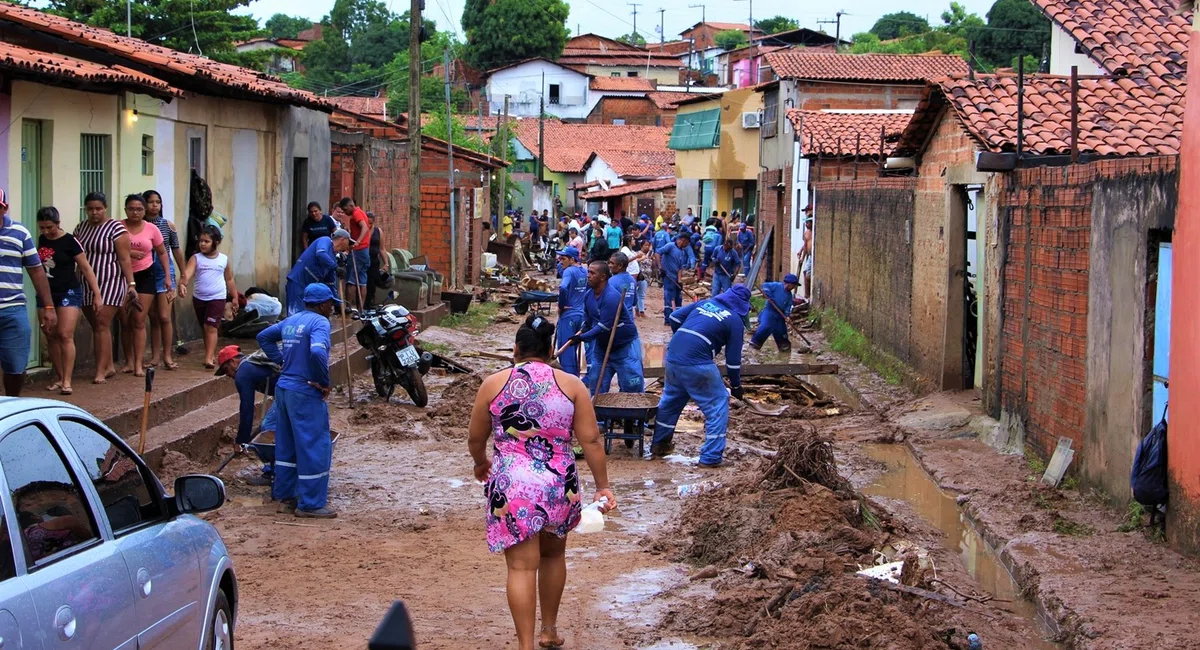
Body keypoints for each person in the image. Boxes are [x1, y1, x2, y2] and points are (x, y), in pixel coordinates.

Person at [467, 314, 615, 650]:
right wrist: (603, 485)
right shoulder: (572, 385)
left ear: (516, 348)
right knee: (552, 557)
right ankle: (549, 630)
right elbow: (591, 441)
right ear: (551, 350)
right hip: (559, 485)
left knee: (521, 568)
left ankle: (525, 645)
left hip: (512, 486)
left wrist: (481, 463)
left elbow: (476, 438)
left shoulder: (493, 383)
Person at [257, 283, 338, 519]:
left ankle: (287, 498)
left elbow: (263, 337)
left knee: (287, 445)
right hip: (304, 391)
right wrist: (323, 381)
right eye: (331, 303)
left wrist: (282, 362)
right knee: (313, 445)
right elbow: (317, 352)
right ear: (322, 304)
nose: (332, 308)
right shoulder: (320, 322)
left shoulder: (292, 321)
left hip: (283, 390)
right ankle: (310, 504)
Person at [651, 285, 750, 467]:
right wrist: (736, 386)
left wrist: (684, 338)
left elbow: (674, 317)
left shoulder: (705, 303)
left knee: (671, 400)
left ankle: (659, 445)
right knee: (717, 404)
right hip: (697, 363)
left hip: (673, 356)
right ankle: (711, 457)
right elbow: (733, 361)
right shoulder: (735, 321)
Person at [35, 207, 101, 396]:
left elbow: (86, 268)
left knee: (64, 334)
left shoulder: (70, 241)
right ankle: (60, 375)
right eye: (42, 228)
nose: (46, 232)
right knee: (50, 334)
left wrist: (97, 294)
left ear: (58, 223)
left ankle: (67, 380)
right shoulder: (41, 240)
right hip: (46, 292)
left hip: (69, 291)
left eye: (49, 227)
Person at [75, 192, 136, 384]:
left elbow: (125, 258)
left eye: (98, 209)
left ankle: (100, 370)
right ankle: (108, 365)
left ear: (105, 208)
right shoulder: (81, 228)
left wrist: (131, 284)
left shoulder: (116, 228)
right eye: (90, 209)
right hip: (86, 282)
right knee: (97, 325)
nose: (94, 213)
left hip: (111, 281)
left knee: (102, 322)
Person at [0, 190, 55, 397]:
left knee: (15, 366)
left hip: (13, 309)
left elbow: (36, 271)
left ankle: (12, 404)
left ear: (4, 208)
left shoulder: (19, 233)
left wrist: (48, 306)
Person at [568, 260, 642, 395]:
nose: (588, 276)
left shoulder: (611, 297)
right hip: (602, 347)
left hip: (624, 346)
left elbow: (603, 327)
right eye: (588, 272)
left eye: (592, 273)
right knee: (596, 387)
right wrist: (583, 330)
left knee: (632, 388)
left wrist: (581, 338)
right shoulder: (588, 295)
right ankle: (599, 416)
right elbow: (588, 320)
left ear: (603, 277)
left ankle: (633, 416)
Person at [119, 194, 172, 378]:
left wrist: (167, 276)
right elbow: (112, 248)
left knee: (139, 320)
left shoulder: (152, 229)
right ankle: (128, 360)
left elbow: (163, 252)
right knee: (124, 321)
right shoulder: (118, 227)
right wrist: (130, 252)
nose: (135, 212)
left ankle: (139, 364)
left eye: (139, 209)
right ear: (125, 209)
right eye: (131, 209)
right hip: (122, 276)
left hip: (146, 275)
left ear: (144, 210)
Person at [214, 344, 279, 486]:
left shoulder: (242, 373)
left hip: (289, 391)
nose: (229, 375)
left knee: (267, 430)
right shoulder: (252, 364)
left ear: (232, 361)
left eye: (226, 370)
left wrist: (241, 441)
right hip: (293, 389)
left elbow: (246, 410)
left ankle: (271, 473)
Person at [181, 225, 237, 368]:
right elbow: (188, 273)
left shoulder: (223, 259)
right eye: (201, 241)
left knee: (211, 327)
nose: (202, 244)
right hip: (199, 298)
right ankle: (209, 353)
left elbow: (229, 279)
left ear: (216, 242)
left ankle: (209, 357)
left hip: (217, 297)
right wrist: (183, 283)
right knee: (205, 327)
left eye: (206, 241)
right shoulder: (196, 258)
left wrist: (235, 297)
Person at [143, 190, 186, 372]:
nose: (154, 205)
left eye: (158, 202)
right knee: (152, 317)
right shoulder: (139, 225)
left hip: (164, 272)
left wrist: (183, 273)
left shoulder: (168, 225)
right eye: (151, 202)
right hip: (144, 272)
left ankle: (167, 355)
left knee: (164, 316)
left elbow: (175, 249)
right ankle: (155, 357)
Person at [286, 229, 352, 316]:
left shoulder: (332, 259)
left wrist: (337, 303)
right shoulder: (326, 240)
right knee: (294, 316)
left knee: (306, 318)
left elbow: (330, 283)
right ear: (343, 239)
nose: (349, 245)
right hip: (298, 281)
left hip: (309, 289)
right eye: (348, 241)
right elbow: (320, 254)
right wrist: (336, 267)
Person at [555, 246, 588, 377]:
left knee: (566, 353)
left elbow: (563, 287)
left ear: (572, 259)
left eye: (563, 258)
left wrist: (562, 305)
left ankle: (569, 381)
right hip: (582, 315)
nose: (560, 261)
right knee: (578, 349)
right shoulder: (585, 271)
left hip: (569, 315)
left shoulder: (569, 271)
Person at [750, 274, 800, 353]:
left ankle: (784, 348)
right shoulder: (776, 286)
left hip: (780, 314)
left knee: (781, 332)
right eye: (793, 285)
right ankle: (755, 345)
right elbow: (765, 285)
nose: (794, 287)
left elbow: (788, 307)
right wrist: (769, 296)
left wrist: (787, 316)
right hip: (769, 311)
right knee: (766, 327)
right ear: (788, 283)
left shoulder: (789, 295)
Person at [339, 197, 371, 310]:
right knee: (362, 281)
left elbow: (365, 228)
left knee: (351, 280)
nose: (345, 212)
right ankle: (360, 308)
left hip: (358, 251)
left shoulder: (356, 214)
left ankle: (348, 307)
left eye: (345, 209)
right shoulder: (361, 212)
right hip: (364, 251)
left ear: (350, 206)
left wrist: (357, 241)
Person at [657, 231, 691, 324]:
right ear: (683, 240)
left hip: (675, 279)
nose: (686, 245)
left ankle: (677, 319)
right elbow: (657, 253)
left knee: (678, 299)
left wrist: (680, 280)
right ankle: (668, 320)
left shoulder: (682, 252)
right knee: (669, 298)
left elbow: (680, 267)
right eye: (686, 243)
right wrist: (660, 268)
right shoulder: (670, 246)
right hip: (668, 277)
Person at [364, 211, 390, 308]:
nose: (369, 225)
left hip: (374, 261)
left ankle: (370, 303)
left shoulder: (378, 231)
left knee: (372, 283)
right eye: (367, 223)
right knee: (364, 282)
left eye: (371, 223)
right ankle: (362, 304)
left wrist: (386, 263)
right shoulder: (362, 230)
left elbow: (382, 249)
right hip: (363, 260)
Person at [619, 235, 648, 317]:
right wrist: (636, 257)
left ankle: (635, 310)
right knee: (629, 293)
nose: (634, 241)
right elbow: (624, 261)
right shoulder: (625, 250)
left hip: (634, 274)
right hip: (630, 274)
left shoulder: (630, 250)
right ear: (629, 241)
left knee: (634, 292)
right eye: (633, 240)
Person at [800, 210, 814, 299]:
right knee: (805, 273)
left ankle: (809, 294)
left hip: (814, 256)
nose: (806, 224)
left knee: (808, 275)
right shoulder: (806, 233)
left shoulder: (815, 232)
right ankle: (807, 294)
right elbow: (805, 246)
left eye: (807, 222)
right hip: (809, 256)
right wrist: (802, 256)